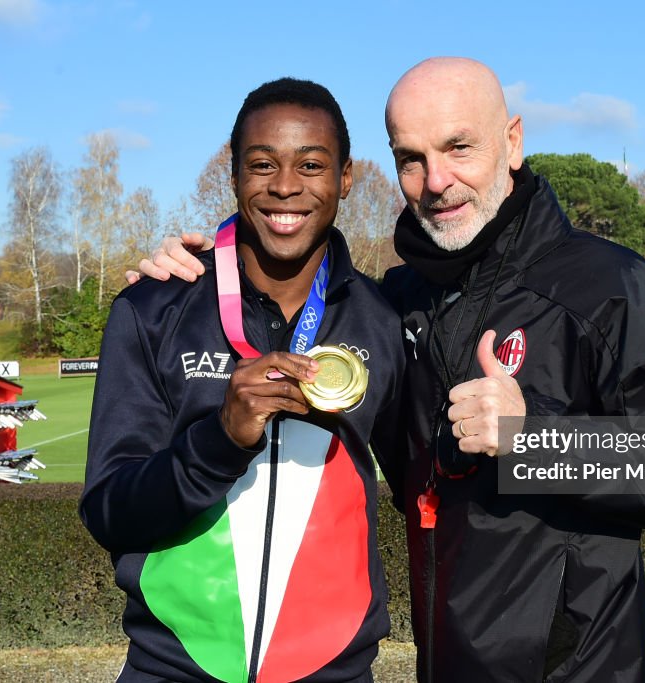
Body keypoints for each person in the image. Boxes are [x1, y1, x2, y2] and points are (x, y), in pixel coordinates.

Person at [135, 58, 645, 683]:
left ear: (513, 142)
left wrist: (537, 437)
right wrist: (195, 272)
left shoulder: (609, 286)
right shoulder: (397, 301)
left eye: (458, 148)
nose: (435, 180)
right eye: (410, 158)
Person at [82, 78, 406, 683]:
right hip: (173, 669)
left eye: (311, 164)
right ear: (233, 175)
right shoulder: (152, 309)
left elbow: (432, 492)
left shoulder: (384, 323)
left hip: (334, 669)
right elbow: (108, 514)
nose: (285, 186)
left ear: (346, 179)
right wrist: (220, 440)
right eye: (262, 165)